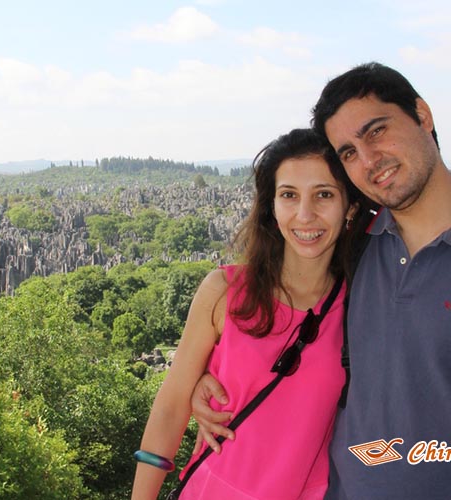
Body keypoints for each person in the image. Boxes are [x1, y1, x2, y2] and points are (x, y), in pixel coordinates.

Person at [191, 63, 451, 499]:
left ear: (422, 116)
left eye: (376, 131)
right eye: (348, 152)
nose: (369, 161)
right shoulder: (355, 242)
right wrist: (206, 374)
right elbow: (288, 326)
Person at [131, 128, 371, 499]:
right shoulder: (224, 292)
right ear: (271, 207)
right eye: (289, 195)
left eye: (324, 194)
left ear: (350, 206)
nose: (305, 215)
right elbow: (170, 407)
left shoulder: (364, 306)